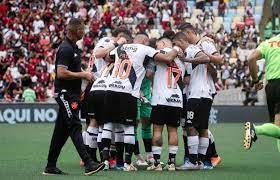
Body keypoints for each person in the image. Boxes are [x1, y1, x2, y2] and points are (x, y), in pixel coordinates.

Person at [101, 33, 179, 171]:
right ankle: (127, 163)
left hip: (111, 89)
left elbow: (107, 57)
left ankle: (105, 162)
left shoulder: (122, 47)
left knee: (108, 124)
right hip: (128, 91)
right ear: (144, 41)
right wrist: (177, 49)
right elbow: (168, 57)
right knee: (129, 127)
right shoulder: (145, 49)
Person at [43, 18, 105, 176]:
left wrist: (84, 75)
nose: (83, 32)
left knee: (61, 132)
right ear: (73, 31)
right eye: (81, 29)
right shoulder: (66, 49)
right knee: (75, 126)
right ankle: (88, 162)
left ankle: (50, 166)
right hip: (65, 94)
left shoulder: (74, 48)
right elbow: (61, 72)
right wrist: (83, 74)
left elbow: (71, 70)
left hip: (72, 94)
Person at [178, 23, 223, 168]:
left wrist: (201, 54)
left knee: (194, 126)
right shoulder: (191, 48)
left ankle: (202, 158)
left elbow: (218, 59)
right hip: (192, 89)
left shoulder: (204, 42)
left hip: (202, 90)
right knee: (192, 126)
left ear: (189, 32)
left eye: (185, 35)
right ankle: (198, 159)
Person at [172, 32, 213, 170]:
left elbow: (206, 58)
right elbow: (190, 78)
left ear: (181, 41)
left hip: (196, 95)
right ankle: (200, 162)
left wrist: (186, 60)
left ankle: (193, 162)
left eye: (176, 44)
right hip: (205, 94)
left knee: (190, 127)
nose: (176, 48)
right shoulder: (191, 51)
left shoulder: (191, 49)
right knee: (203, 129)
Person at [147, 36, 186, 171]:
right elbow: (186, 79)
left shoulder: (159, 54)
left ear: (163, 43)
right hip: (176, 99)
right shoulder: (181, 58)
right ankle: (172, 162)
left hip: (160, 98)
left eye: (157, 44)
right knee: (173, 131)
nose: (156, 47)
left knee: (157, 130)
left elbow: (149, 75)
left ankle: (157, 163)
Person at [244, 33, 280, 152]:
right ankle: (255, 130)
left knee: (277, 127)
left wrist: (255, 80)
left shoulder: (269, 42)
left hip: (271, 86)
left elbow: (251, 58)